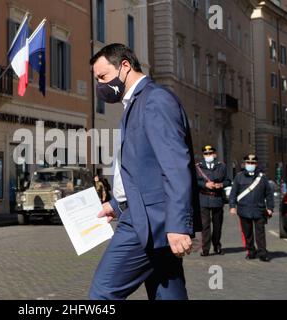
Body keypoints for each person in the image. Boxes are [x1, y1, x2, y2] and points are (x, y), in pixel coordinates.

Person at [89, 43, 201, 300]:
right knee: (168, 295)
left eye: (103, 77)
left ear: (125, 66)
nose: (100, 86)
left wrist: (178, 225)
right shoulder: (135, 105)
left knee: (103, 293)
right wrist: (116, 206)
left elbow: (174, 165)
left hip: (150, 223)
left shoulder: (155, 100)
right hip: (148, 216)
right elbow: (144, 172)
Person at [229, 154, 274, 262]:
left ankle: (262, 253)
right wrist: (232, 206)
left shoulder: (262, 177)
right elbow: (233, 193)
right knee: (247, 233)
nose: (250, 165)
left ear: (256, 164)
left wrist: (270, 208)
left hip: (259, 210)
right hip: (244, 210)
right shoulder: (239, 176)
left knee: (260, 233)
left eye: (252, 163)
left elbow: (269, 194)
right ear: (244, 164)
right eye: (248, 163)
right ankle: (251, 251)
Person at [196, 145, 231, 256]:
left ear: (214, 154)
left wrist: (221, 184)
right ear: (203, 155)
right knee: (205, 225)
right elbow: (194, 181)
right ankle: (205, 249)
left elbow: (228, 181)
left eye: (210, 153)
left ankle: (217, 245)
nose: (208, 156)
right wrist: (205, 184)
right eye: (206, 154)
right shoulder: (198, 167)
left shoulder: (221, 166)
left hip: (217, 198)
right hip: (204, 198)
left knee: (217, 225)